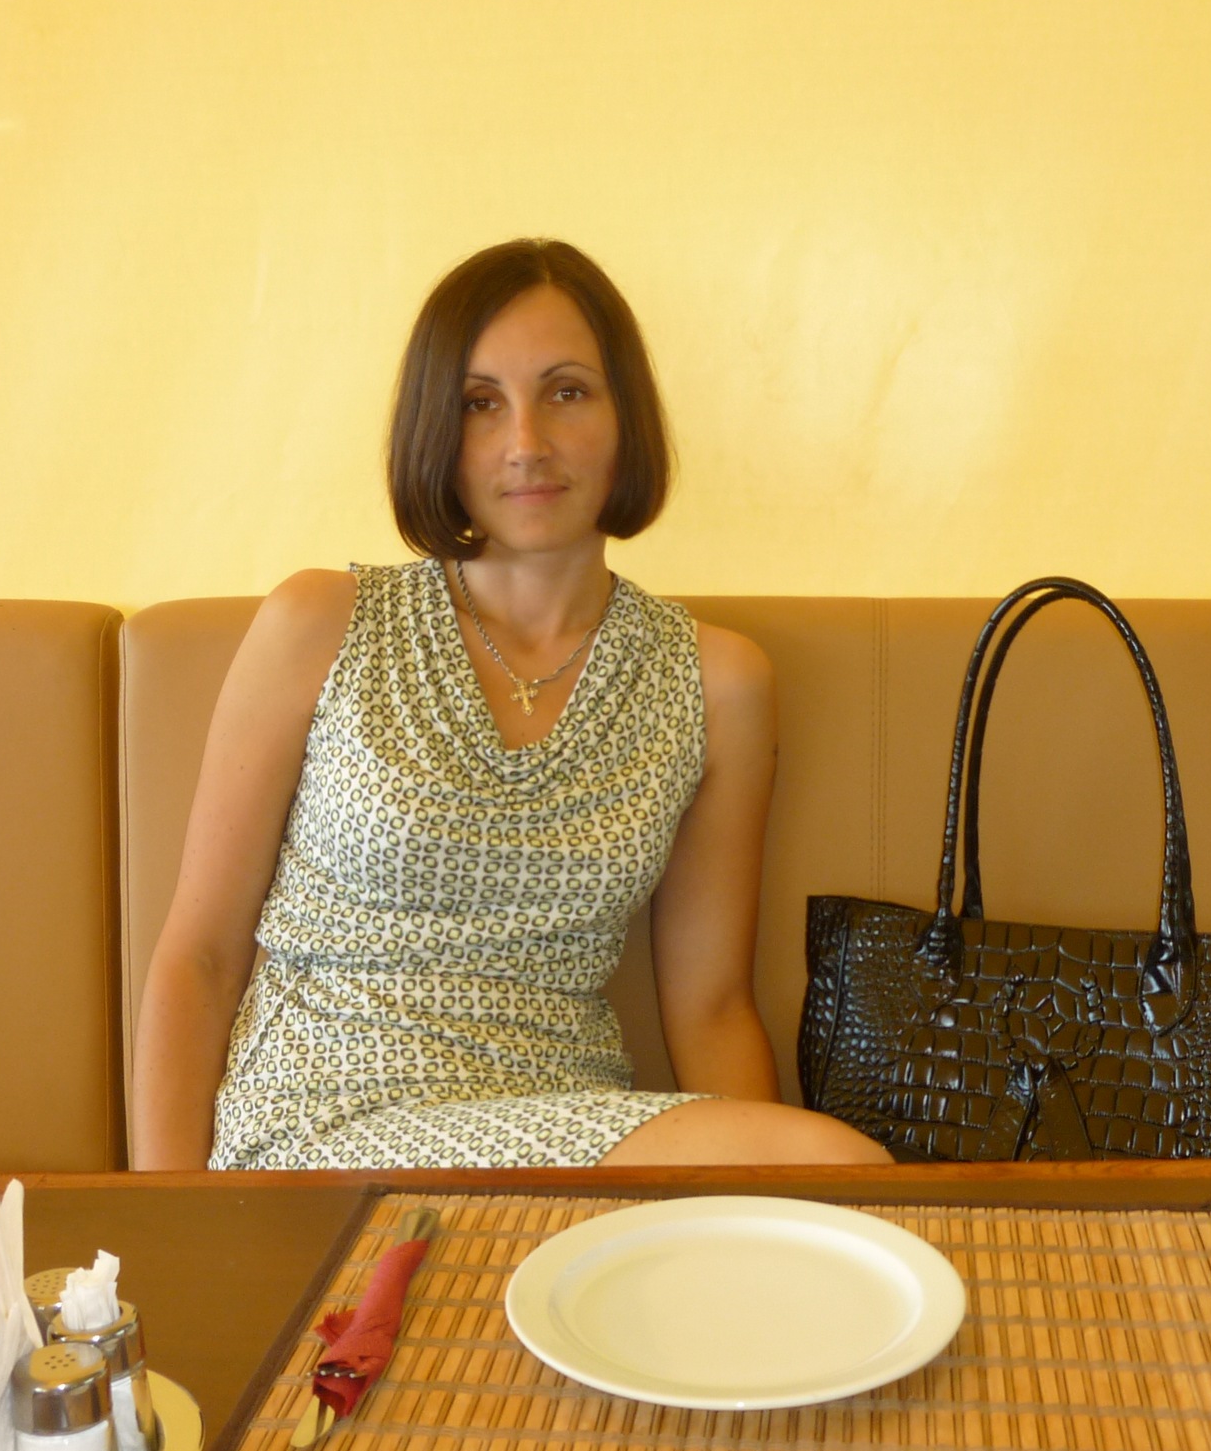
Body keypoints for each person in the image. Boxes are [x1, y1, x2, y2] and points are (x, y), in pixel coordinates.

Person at [131, 238, 891, 1171]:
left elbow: (710, 1005)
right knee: (842, 1165)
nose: (526, 443)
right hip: (319, 1118)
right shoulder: (322, 623)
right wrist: (165, 1225)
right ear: (436, 433)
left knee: (827, 1184)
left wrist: (769, 1208)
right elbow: (200, 956)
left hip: (568, 1124)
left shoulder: (716, 682)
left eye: (567, 392)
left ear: (626, 416)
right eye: (479, 403)